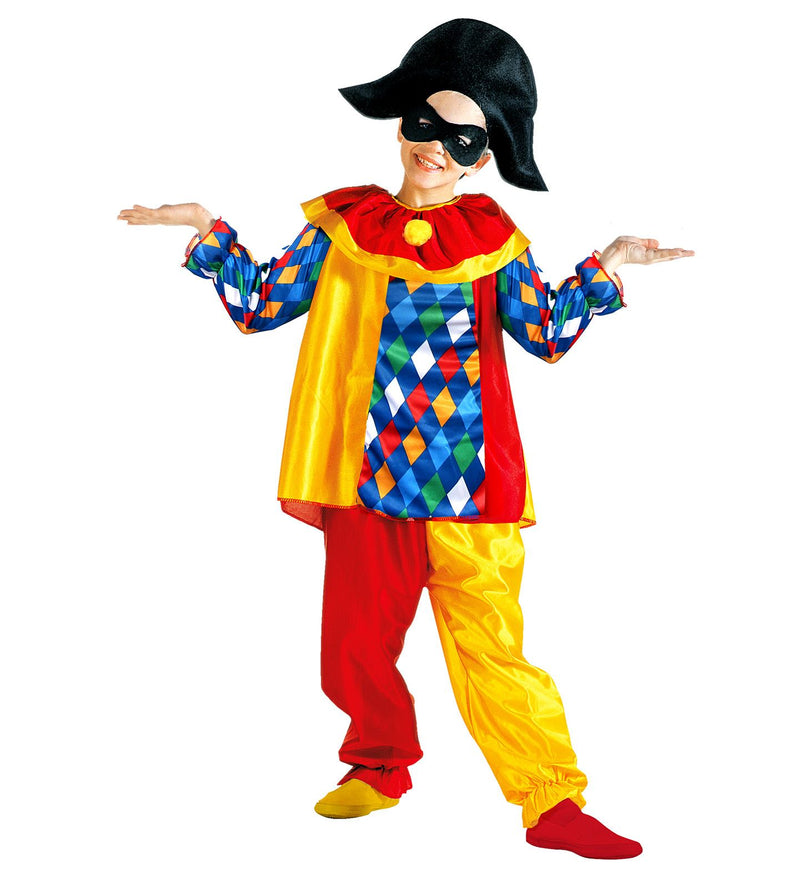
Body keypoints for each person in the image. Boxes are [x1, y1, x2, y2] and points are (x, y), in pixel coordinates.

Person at [118, 19, 693, 860]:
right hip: (366, 472)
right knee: (353, 642)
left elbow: (545, 332)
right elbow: (261, 305)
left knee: (494, 647)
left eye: (461, 138)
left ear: (482, 158)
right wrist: (206, 228)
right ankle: (380, 763)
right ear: (401, 124)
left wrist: (605, 265)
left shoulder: (494, 241)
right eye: (425, 123)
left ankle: (551, 803)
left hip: (469, 479)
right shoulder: (341, 225)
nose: (435, 147)